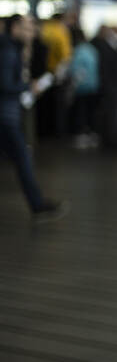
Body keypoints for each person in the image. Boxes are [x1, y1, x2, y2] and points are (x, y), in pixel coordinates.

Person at [0, 15, 67, 221]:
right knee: (22, 158)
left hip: (8, 115)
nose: (32, 33)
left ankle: (37, 204)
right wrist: (29, 86)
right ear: (14, 29)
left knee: (22, 158)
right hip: (5, 116)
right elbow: (5, 85)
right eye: (27, 28)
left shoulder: (14, 49)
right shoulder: (9, 52)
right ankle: (37, 205)